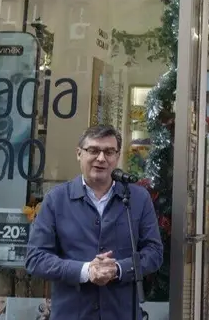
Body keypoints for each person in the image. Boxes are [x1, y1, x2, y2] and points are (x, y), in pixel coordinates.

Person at [26, 125, 163, 320]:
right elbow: (36, 258)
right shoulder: (56, 200)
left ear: (117, 157)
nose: (101, 158)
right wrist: (86, 271)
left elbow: (154, 253)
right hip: (72, 313)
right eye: (93, 150)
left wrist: (118, 269)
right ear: (79, 153)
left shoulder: (138, 199)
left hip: (122, 313)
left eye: (109, 152)